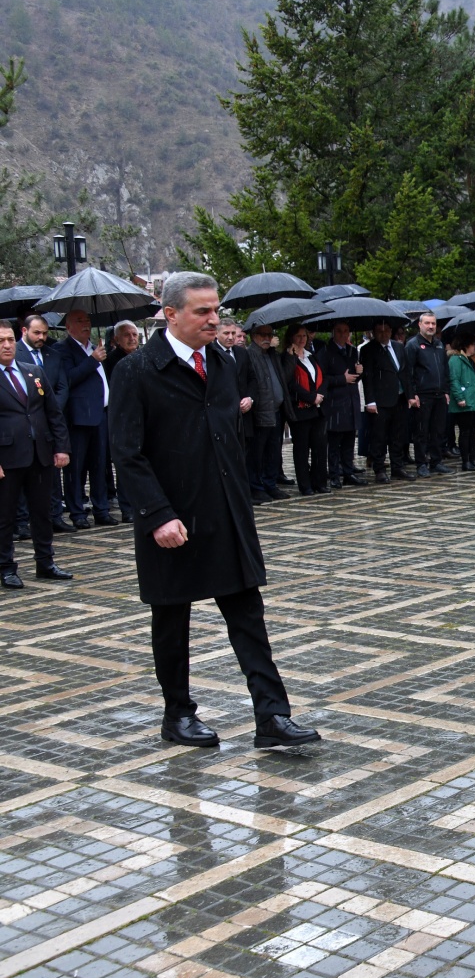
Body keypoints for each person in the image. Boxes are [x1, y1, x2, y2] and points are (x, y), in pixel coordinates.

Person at [109, 272, 320, 750]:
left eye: (216, 309)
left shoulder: (225, 364)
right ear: (170, 314)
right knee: (171, 618)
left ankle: (272, 716)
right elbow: (127, 453)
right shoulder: (138, 370)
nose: (214, 319)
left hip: (226, 510)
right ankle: (178, 715)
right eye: (202, 311)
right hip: (171, 519)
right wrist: (158, 515)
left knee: (248, 614)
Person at [0, 321, 72, 588]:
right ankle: (6, 567)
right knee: (5, 516)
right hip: (7, 458)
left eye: (9, 339)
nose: (7, 345)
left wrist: (61, 447)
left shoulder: (33, 372)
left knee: (42, 513)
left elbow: (53, 413)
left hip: (39, 454)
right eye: (0, 341)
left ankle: (46, 562)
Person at [55, 309, 113, 528]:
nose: (86, 324)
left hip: (100, 414)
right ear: (69, 327)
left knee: (100, 465)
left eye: (88, 320)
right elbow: (67, 379)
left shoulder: (95, 346)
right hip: (78, 417)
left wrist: (96, 356)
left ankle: (101, 509)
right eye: (80, 321)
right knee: (76, 468)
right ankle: (77, 512)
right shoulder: (63, 349)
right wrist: (92, 360)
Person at [360, 319, 414, 481]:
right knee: (379, 436)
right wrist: (370, 401)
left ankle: (397, 467)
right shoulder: (369, 350)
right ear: (374, 332)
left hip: (399, 398)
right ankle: (379, 469)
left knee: (398, 435)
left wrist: (410, 395)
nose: (384, 334)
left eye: (387, 331)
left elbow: (405, 373)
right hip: (380, 400)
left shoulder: (398, 346)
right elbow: (367, 377)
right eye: (380, 331)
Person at [316, 321, 367, 486]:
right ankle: (334, 474)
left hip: (351, 401)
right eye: (339, 331)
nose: (343, 335)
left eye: (346, 331)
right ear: (333, 332)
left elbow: (353, 377)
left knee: (349, 441)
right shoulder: (325, 352)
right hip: (334, 402)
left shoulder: (352, 351)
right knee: (334, 443)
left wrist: (359, 373)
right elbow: (321, 378)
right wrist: (341, 379)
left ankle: (348, 472)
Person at [281, 325, 328, 495]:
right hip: (300, 410)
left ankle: (320, 482)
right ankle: (305, 485)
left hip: (318, 409)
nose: (302, 339)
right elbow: (289, 383)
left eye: (304, 336)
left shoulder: (311, 356)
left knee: (320, 447)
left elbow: (322, 377)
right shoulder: (286, 357)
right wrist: (310, 397)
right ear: (291, 337)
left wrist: (320, 394)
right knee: (302, 449)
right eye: (298, 336)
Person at [244, 324, 288, 503]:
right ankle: (256, 486)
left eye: (270, 334)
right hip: (260, 412)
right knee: (257, 453)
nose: (267, 338)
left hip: (276, 410)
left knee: (274, 451)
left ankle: (270, 484)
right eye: (263, 334)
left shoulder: (272, 354)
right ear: (253, 335)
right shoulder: (249, 355)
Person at [104, 320, 144, 522]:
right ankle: (126, 506)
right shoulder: (112, 361)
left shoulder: (143, 358)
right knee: (125, 462)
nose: (132, 338)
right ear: (116, 339)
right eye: (127, 335)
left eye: (134, 334)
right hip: (122, 417)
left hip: (144, 417)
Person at [405, 312, 451, 477]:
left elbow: (445, 371)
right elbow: (407, 372)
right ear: (419, 324)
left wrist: (446, 391)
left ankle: (436, 461)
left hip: (439, 394)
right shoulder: (413, 345)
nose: (431, 326)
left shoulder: (439, 345)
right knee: (421, 432)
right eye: (427, 323)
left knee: (438, 430)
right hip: (422, 395)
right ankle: (421, 463)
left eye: (433, 323)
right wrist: (412, 394)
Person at [447, 329, 475, 471]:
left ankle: (472, 459)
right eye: (473, 344)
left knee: (474, 431)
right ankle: (465, 461)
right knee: (465, 432)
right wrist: (460, 397)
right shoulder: (456, 359)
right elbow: (454, 379)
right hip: (465, 401)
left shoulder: (472, 359)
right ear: (465, 345)